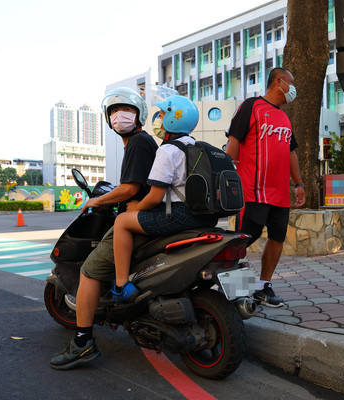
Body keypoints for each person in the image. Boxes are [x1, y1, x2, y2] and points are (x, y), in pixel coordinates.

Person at [50, 87, 158, 370]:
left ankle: (83, 342)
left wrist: (97, 200)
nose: (119, 116)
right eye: (113, 112)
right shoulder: (142, 144)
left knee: (88, 271)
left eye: (127, 110)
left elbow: (131, 188)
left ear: (140, 115)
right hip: (147, 219)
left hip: (135, 224)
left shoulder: (137, 142)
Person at [112, 96, 218, 301]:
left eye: (161, 114)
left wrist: (135, 208)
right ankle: (240, 294)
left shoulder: (168, 150)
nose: (158, 119)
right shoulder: (198, 147)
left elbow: (154, 197)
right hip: (207, 216)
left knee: (122, 222)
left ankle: (121, 285)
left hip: (180, 215)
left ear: (172, 118)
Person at [226, 67, 306, 308]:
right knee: (241, 241)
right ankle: (232, 294)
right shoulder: (252, 106)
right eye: (291, 83)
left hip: (280, 193)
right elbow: (234, 143)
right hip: (253, 190)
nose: (293, 88)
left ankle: (263, 287)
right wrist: (229, 178)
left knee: (277, 238)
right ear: (279, 82)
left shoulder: (284, 117)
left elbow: (291, 152)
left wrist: (298, 184)